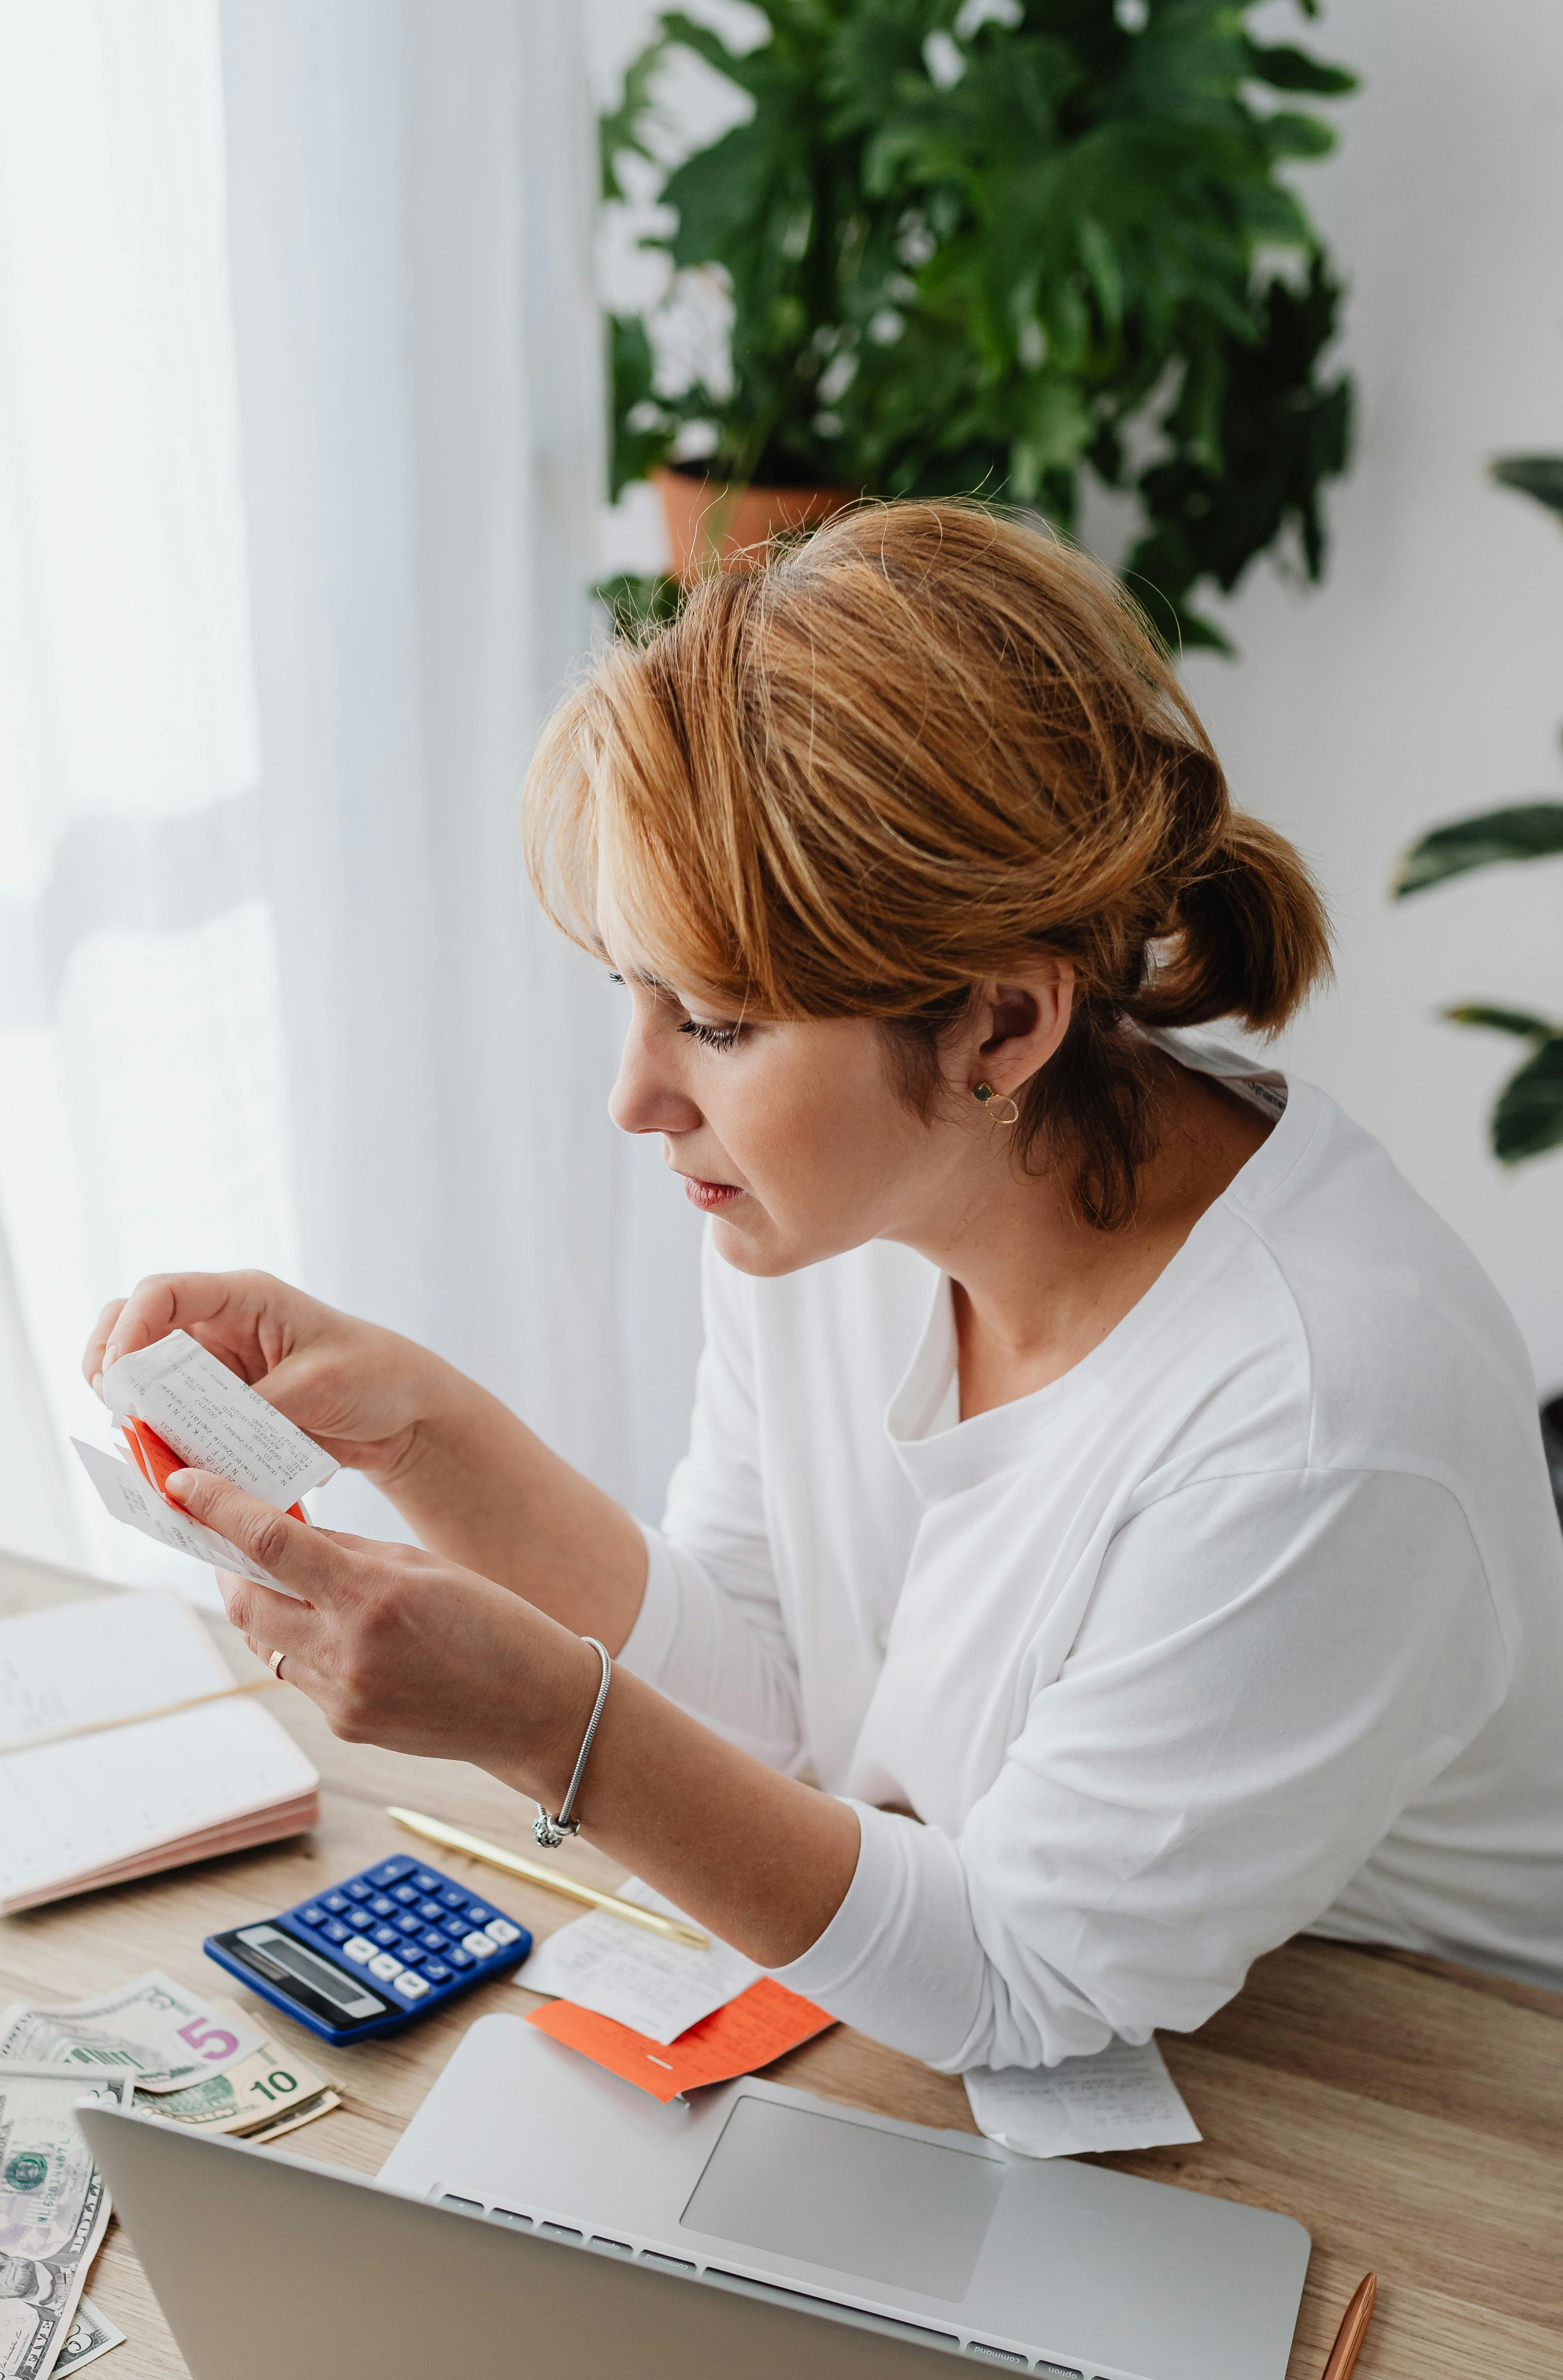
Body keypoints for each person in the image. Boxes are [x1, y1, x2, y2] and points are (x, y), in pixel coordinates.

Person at [84, 504, 1563, 2070]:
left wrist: (546, 1724)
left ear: (1001, 1026)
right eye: (630, 993)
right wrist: (421, 1433)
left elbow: (1021, 1988)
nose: (636, 1098)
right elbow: (773, 1710)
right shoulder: (831, 1211)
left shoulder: (1321, 1417)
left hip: (1428, 2078)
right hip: (1145, 2013)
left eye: (715, 1023)